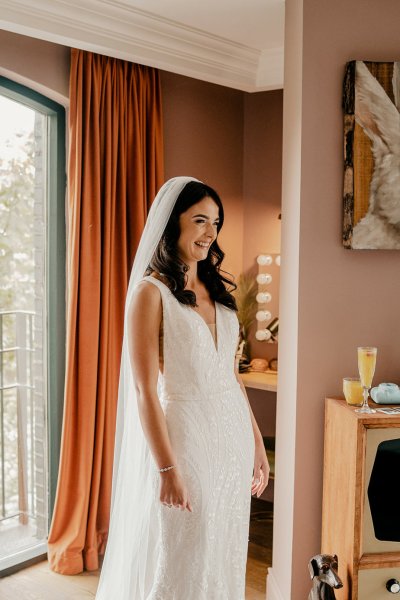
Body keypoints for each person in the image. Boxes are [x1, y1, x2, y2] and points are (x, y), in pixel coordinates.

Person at [95, 176, 269, 600]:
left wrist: (258, 445)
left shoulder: (217, 291)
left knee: (225, 547)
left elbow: (230, 378)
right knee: (186, 552)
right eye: (201, 221)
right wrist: (167, 469)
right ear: (173, 225)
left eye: (216, 222)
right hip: (187, 439)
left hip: (231, 438)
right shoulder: (150, 294)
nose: (212, 232)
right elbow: (143, 391)